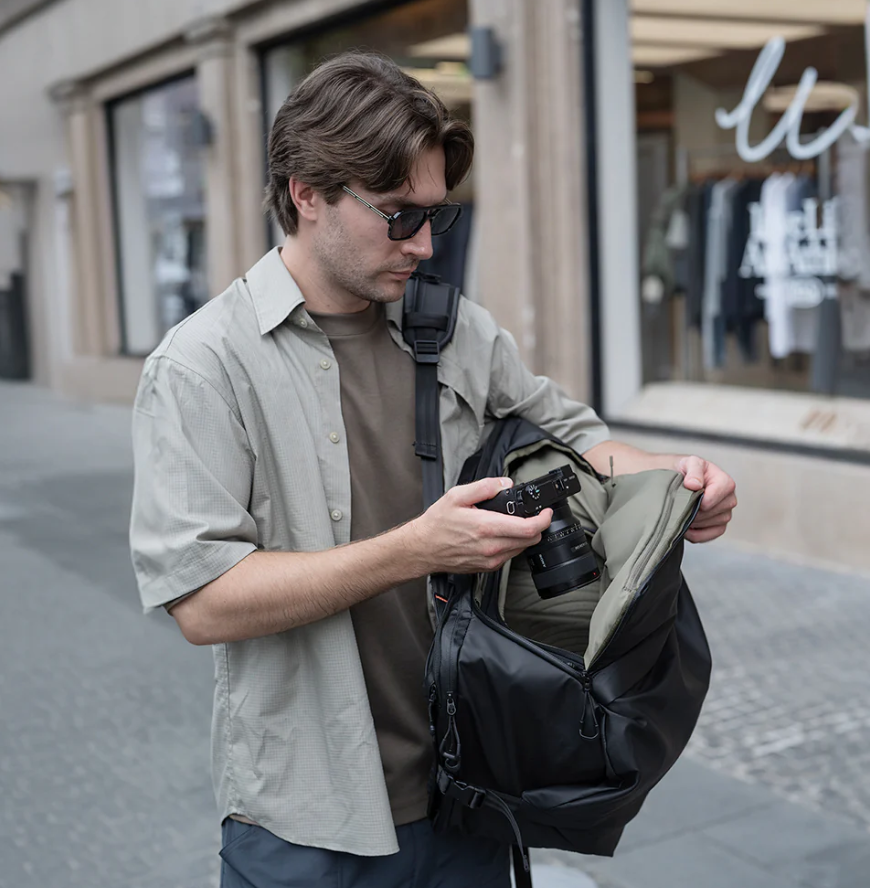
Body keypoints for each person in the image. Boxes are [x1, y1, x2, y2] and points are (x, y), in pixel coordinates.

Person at [129, 51, 737, 888]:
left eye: (436, 216)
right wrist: (416, 549)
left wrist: (677, 480)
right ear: (307, 193)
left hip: (469, 794)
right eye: (398, 216)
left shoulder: (454, 329)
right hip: (306, 821)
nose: (422, 243)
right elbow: (202, 603)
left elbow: (576, 437)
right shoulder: (202, 366)